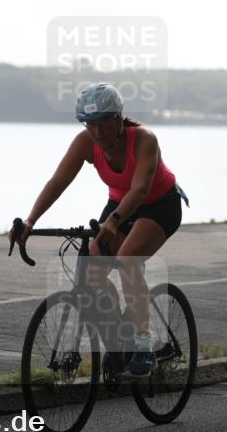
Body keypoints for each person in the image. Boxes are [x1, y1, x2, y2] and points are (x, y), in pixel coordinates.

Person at [11, 82, 188, 376]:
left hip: (159, 204)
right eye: (89, 124)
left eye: (103, 123)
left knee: (127, 259)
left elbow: (140, 190)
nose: (97, 132)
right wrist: (31, 221)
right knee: (94, 271)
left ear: (118, 119)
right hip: (119, 204)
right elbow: (58, 181)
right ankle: (120, 336)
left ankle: (144, 346)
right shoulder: (85, 142)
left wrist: (114, 221)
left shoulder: (144, 139)